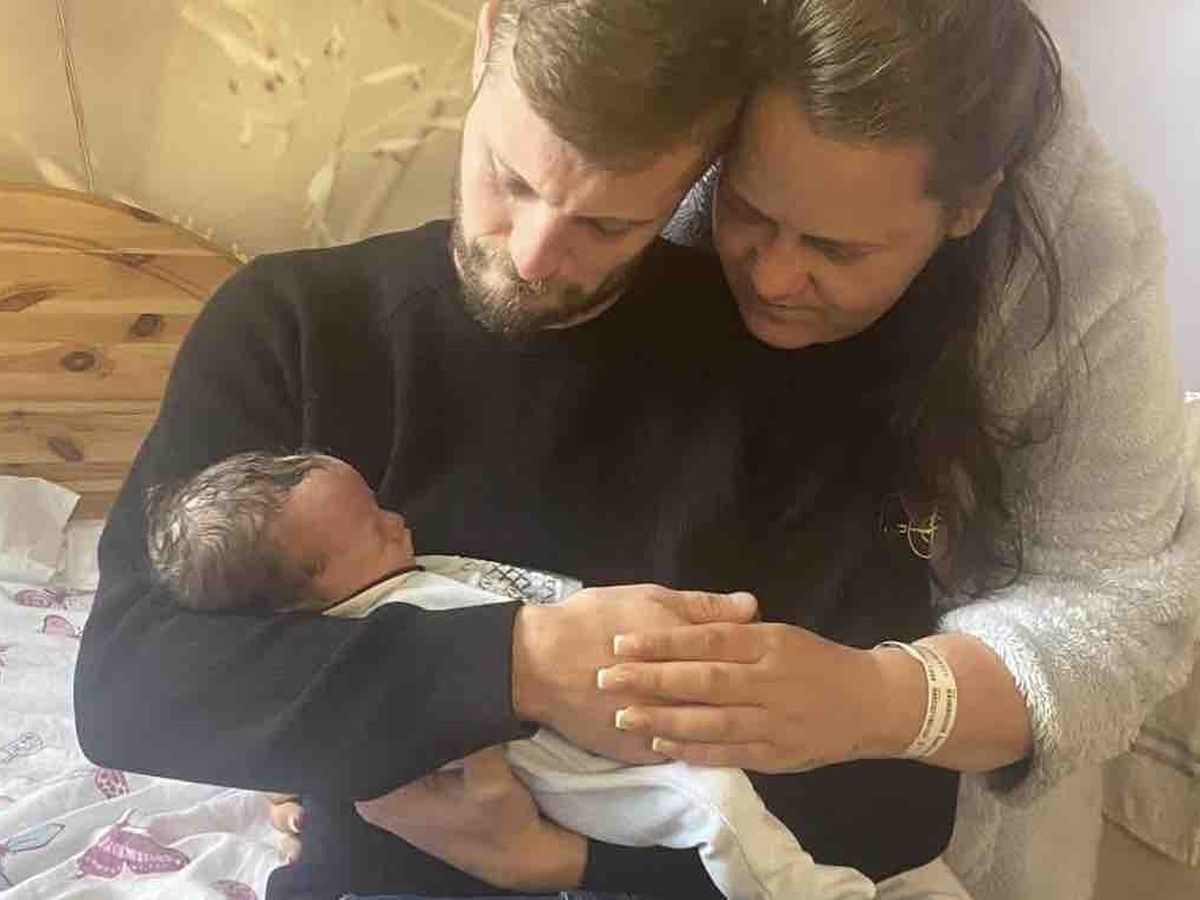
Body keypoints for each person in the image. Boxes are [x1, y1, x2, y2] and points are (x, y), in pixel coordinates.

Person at [75, 2, 964, 899]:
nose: (536, 256)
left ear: (703, 172)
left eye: (609, 225)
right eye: (511, 178)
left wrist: (566, 863)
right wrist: (524, 661)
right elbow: (131, 689)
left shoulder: (792, 379)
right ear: (487, 35)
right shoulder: (292, 329)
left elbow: (896, 805)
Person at [615, 1, 1195, 897]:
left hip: (931, 830)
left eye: (836, 249)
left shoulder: (1084, 257)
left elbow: (1119, 604)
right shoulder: (674, 139)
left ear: (968, 205)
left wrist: (880, 699)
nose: (773, 276)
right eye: (748, 212)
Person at [147, 448, 937, 900]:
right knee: (716, 804)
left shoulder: (405, 572)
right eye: (374, 530)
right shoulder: (373, 626)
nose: (398, 520)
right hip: (567, 761)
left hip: (585, 731)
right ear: (307, 597)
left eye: (380, 505)